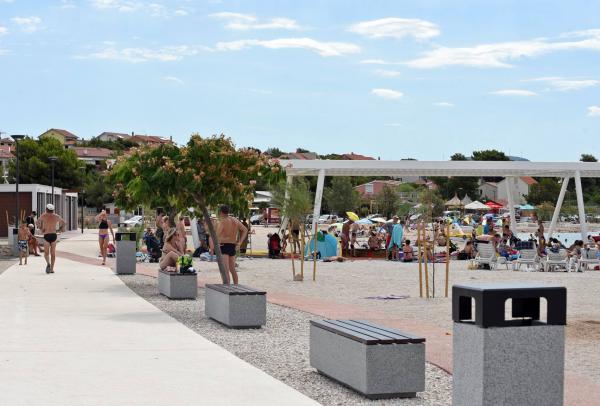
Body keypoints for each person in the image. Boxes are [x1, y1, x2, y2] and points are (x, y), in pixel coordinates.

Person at [212, 205, 248, 284]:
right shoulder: (234, 220)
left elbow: (217, 234)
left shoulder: (221, 221)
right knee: (232, 269)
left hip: (223, 246)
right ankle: (236, 286)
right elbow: (245, 230)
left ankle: (227, 288)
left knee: (225, 270)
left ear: (221, 212)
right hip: (232, 245)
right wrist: (240, 243)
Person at [36, 204, 65, 274]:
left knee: (46, 253)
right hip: (54, 235)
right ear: (53, 210)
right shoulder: (56, 216)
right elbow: (64, 223)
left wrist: (41, 228)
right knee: (53, 253)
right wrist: (59, 229)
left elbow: (37, 222)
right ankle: (52, 269)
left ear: (46, 209)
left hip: (46, 234)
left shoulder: (43, 215)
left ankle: (48, 263)